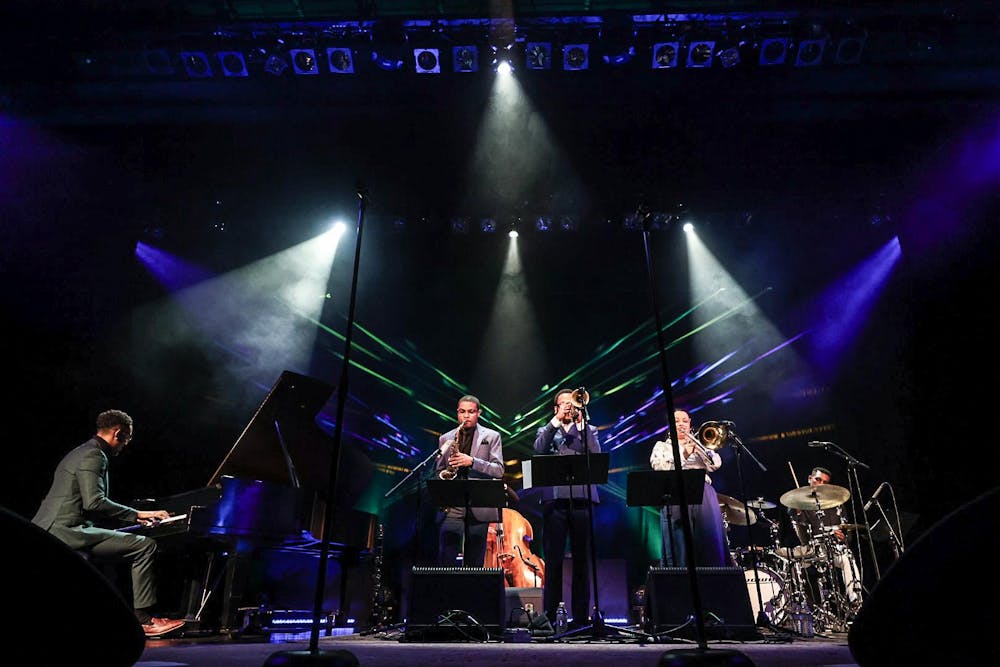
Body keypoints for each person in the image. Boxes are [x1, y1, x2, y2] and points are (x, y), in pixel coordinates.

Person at [31, 409, 185, 638]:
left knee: (120, 550)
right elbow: (94, 502)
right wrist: (138, 515)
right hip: (65, 531)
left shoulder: (80, 451)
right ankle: (145, 621)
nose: (126, 445)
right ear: (118, 433)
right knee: (144, 546)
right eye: (128, 439)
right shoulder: (94, 455)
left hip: (54, 528)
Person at [532, 388, 601, 629]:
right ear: (555, 408)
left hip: (582, 500)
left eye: (572, 404)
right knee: (553, 560)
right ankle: (551, 615)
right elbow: (538, 450)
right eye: (564, 404)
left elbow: (595, 455)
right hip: (554, 501)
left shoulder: (589, 430)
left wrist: (581, 425)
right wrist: (556, 422)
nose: (569, 407)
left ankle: (581, 618)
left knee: (582, 559)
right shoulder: (546, 430)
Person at [649, 409, 730, 568]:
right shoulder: (661, 447)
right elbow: (660, 468)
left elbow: (716, 464)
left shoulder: (699, 442)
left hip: (703, 492)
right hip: (677, 493)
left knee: (709, 542)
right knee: (681, 544)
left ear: (690, 423)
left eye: (685, 421)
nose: (681, 424)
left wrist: (703, 448)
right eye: (677, 421)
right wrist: (684, 454)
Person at [434, 395, 504, 568]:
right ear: (457, 413)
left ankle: (471, 595)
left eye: (471, 412)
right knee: (446, 558)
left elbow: (499, 470)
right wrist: (445, 473)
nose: (466, 416)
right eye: (463, 412)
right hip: (452, 505)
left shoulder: (492, 436)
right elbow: (438, 471)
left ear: (478, 413)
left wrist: (472, 461)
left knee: (475, 562)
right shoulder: (446, 439)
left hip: (479, 503)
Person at [788, 466, 862, 607]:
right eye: (817, 479)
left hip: (831, 550)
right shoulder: (797, 504)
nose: (820, 484)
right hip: (810, 551)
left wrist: (843, 537)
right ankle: (805, 607)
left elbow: (849, 534)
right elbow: (802, 538)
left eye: (824, 482)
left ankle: (855, 600)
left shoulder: (836, 504)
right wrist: (798, 513)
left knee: (847, 558)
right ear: (810, 479)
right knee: (795, 565)